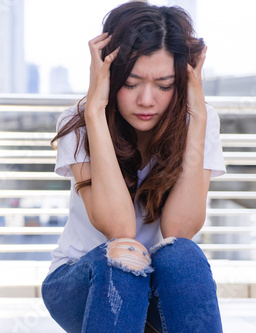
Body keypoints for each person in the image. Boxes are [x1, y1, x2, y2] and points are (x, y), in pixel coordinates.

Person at [41, 2, 226, 332]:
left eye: (164, 85)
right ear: (109, 76)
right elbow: (120, 230)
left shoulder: (199, 120)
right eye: (130, 83)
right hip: (82, 281)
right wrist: (96, 111)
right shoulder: (79, 122)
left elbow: (180, 232)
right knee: (124, 258)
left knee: (184, 256)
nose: (146, 100)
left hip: (157, 286)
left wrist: (197, 118)